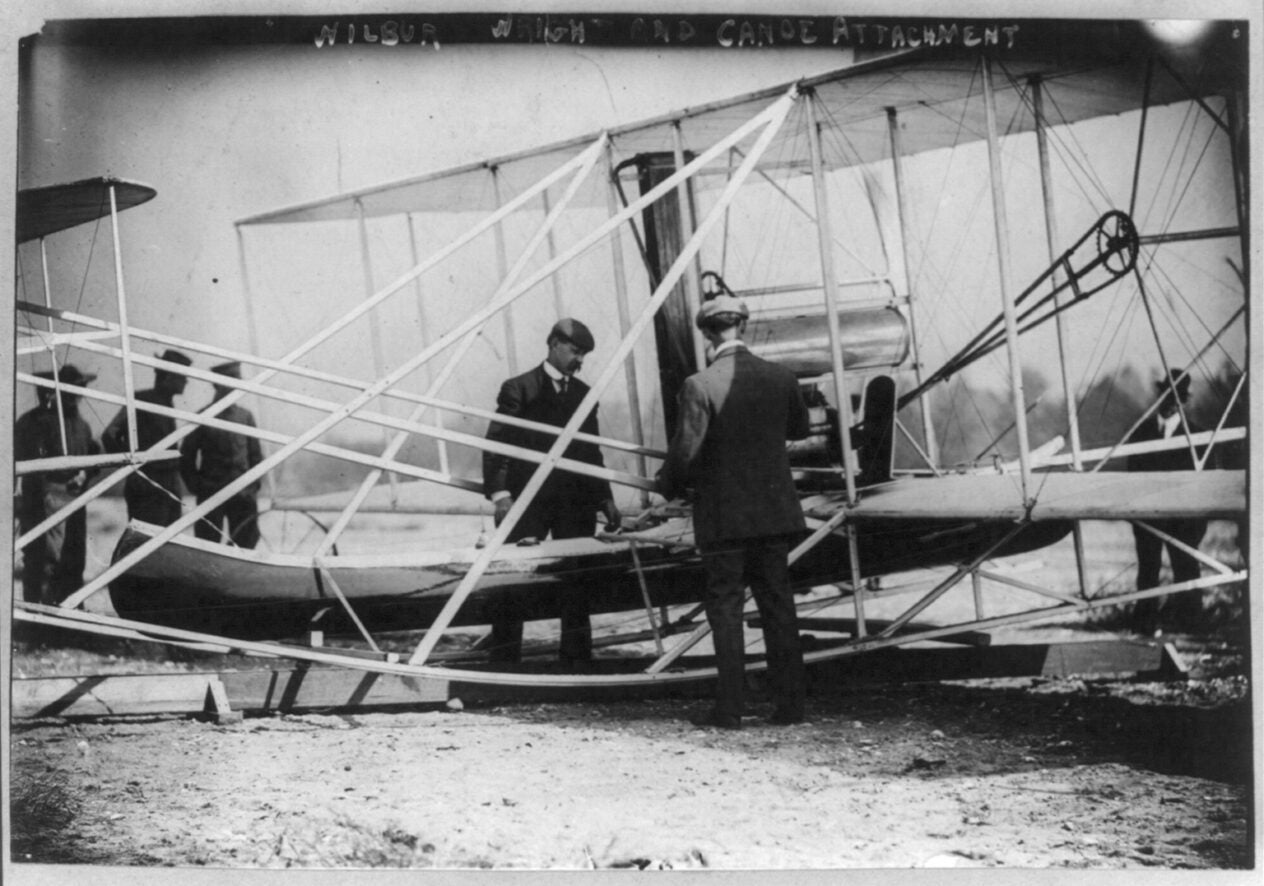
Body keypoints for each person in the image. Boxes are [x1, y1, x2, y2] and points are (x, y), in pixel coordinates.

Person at [656, 295, 811, 729]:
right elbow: (798, 429)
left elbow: (686, 452)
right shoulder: (782, 377)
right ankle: (790, 707)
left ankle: (731, 709)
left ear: (707, 334)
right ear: (743, 326)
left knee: (726, 611)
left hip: (724, 519)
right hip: (774, 514)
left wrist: (663, 486)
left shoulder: (699, 385)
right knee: (778, 606)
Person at [482, 318, 622, 664]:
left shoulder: (584, 394)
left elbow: (591, 452)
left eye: (584, 355)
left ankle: (576, 665)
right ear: (554, 344)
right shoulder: (519, 388)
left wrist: (605, 498)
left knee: (576, 582)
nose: (579, 360)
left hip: (574, 505)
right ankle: (504, 664)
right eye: (575, 351)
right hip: (526, 503)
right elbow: (498, 443)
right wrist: (501, 496)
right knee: (512, 582)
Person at [1126, 368, 1208, 634]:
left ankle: (1191, 625)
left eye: (1176, 397)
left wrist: (1197, 524)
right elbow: (1131, 476)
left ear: (1183, 401)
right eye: (1166, 395)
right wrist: (1137, 516)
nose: (1170, 402)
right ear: (1159, 396)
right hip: (1149, 517)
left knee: (1186, 569)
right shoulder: (1141, 433)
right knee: (1148, 571)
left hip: (1183, 520)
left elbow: (1207, 483)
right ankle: (1144, 624)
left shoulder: (1197, 437)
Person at [14, 365, 101, 604]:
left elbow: (93, 454)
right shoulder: (37, 421)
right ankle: (40, 616)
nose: (78, 395)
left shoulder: (82, 425)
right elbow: (23, 460)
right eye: (73, 390)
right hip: (46, 498)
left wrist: (84, 473)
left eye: (80, 389)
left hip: (75, 498)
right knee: (43, 558)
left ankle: (69, 610)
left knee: (74, 557)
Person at [102, 349, 193, 526]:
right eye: (181, 377)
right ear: (168, 377)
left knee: (168, 544)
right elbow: (110, 434)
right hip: (147, 485)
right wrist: (132, 466)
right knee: (144, 543)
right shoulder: (141, 400)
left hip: (170, 485)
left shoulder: (168, 405)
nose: (186, 382)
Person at [180, 361, 263, 548]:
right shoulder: (203, 415)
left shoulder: (245, 417)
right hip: (211, 495)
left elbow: (256, 457)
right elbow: (186, 456)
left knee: (246, 543)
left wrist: (252, 488)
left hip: (243, 496)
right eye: (232, 383)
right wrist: (197, 487)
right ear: (219, 384)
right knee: (207, 544)